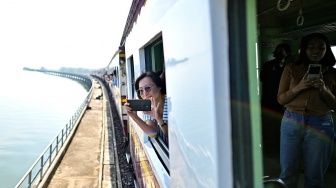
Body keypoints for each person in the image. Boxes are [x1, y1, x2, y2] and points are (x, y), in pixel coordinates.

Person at [277, 33, 336, 188]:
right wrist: (299, 87)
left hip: (321, 123)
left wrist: (324, 90)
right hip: (291, 121)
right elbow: (281, 99)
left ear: (326, 50)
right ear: (304, 49)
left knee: (315, 175)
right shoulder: (291, 69)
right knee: (288, 172)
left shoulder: (333, 73)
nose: (316, 51)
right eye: (311, 47)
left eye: (321, 48)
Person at [260, 43, 291, 155]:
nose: (280, 53)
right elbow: (263, 78)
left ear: (287, 53)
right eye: (278, 50)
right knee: (268, 127)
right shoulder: (268, 65)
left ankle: (280, 150)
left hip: (284, 102)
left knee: (282, 127)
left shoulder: (290, 66)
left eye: (282, 51)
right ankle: (269, 150)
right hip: (268, 101)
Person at [124, 71, 168, 137]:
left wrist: (159, 119)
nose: (145, 94)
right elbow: (153, 134)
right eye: (141, 91)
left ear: (159, 87)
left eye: (148, 88)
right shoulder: (149, 108)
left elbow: (172, 137)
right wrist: (135, 117)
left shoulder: (171, 104)